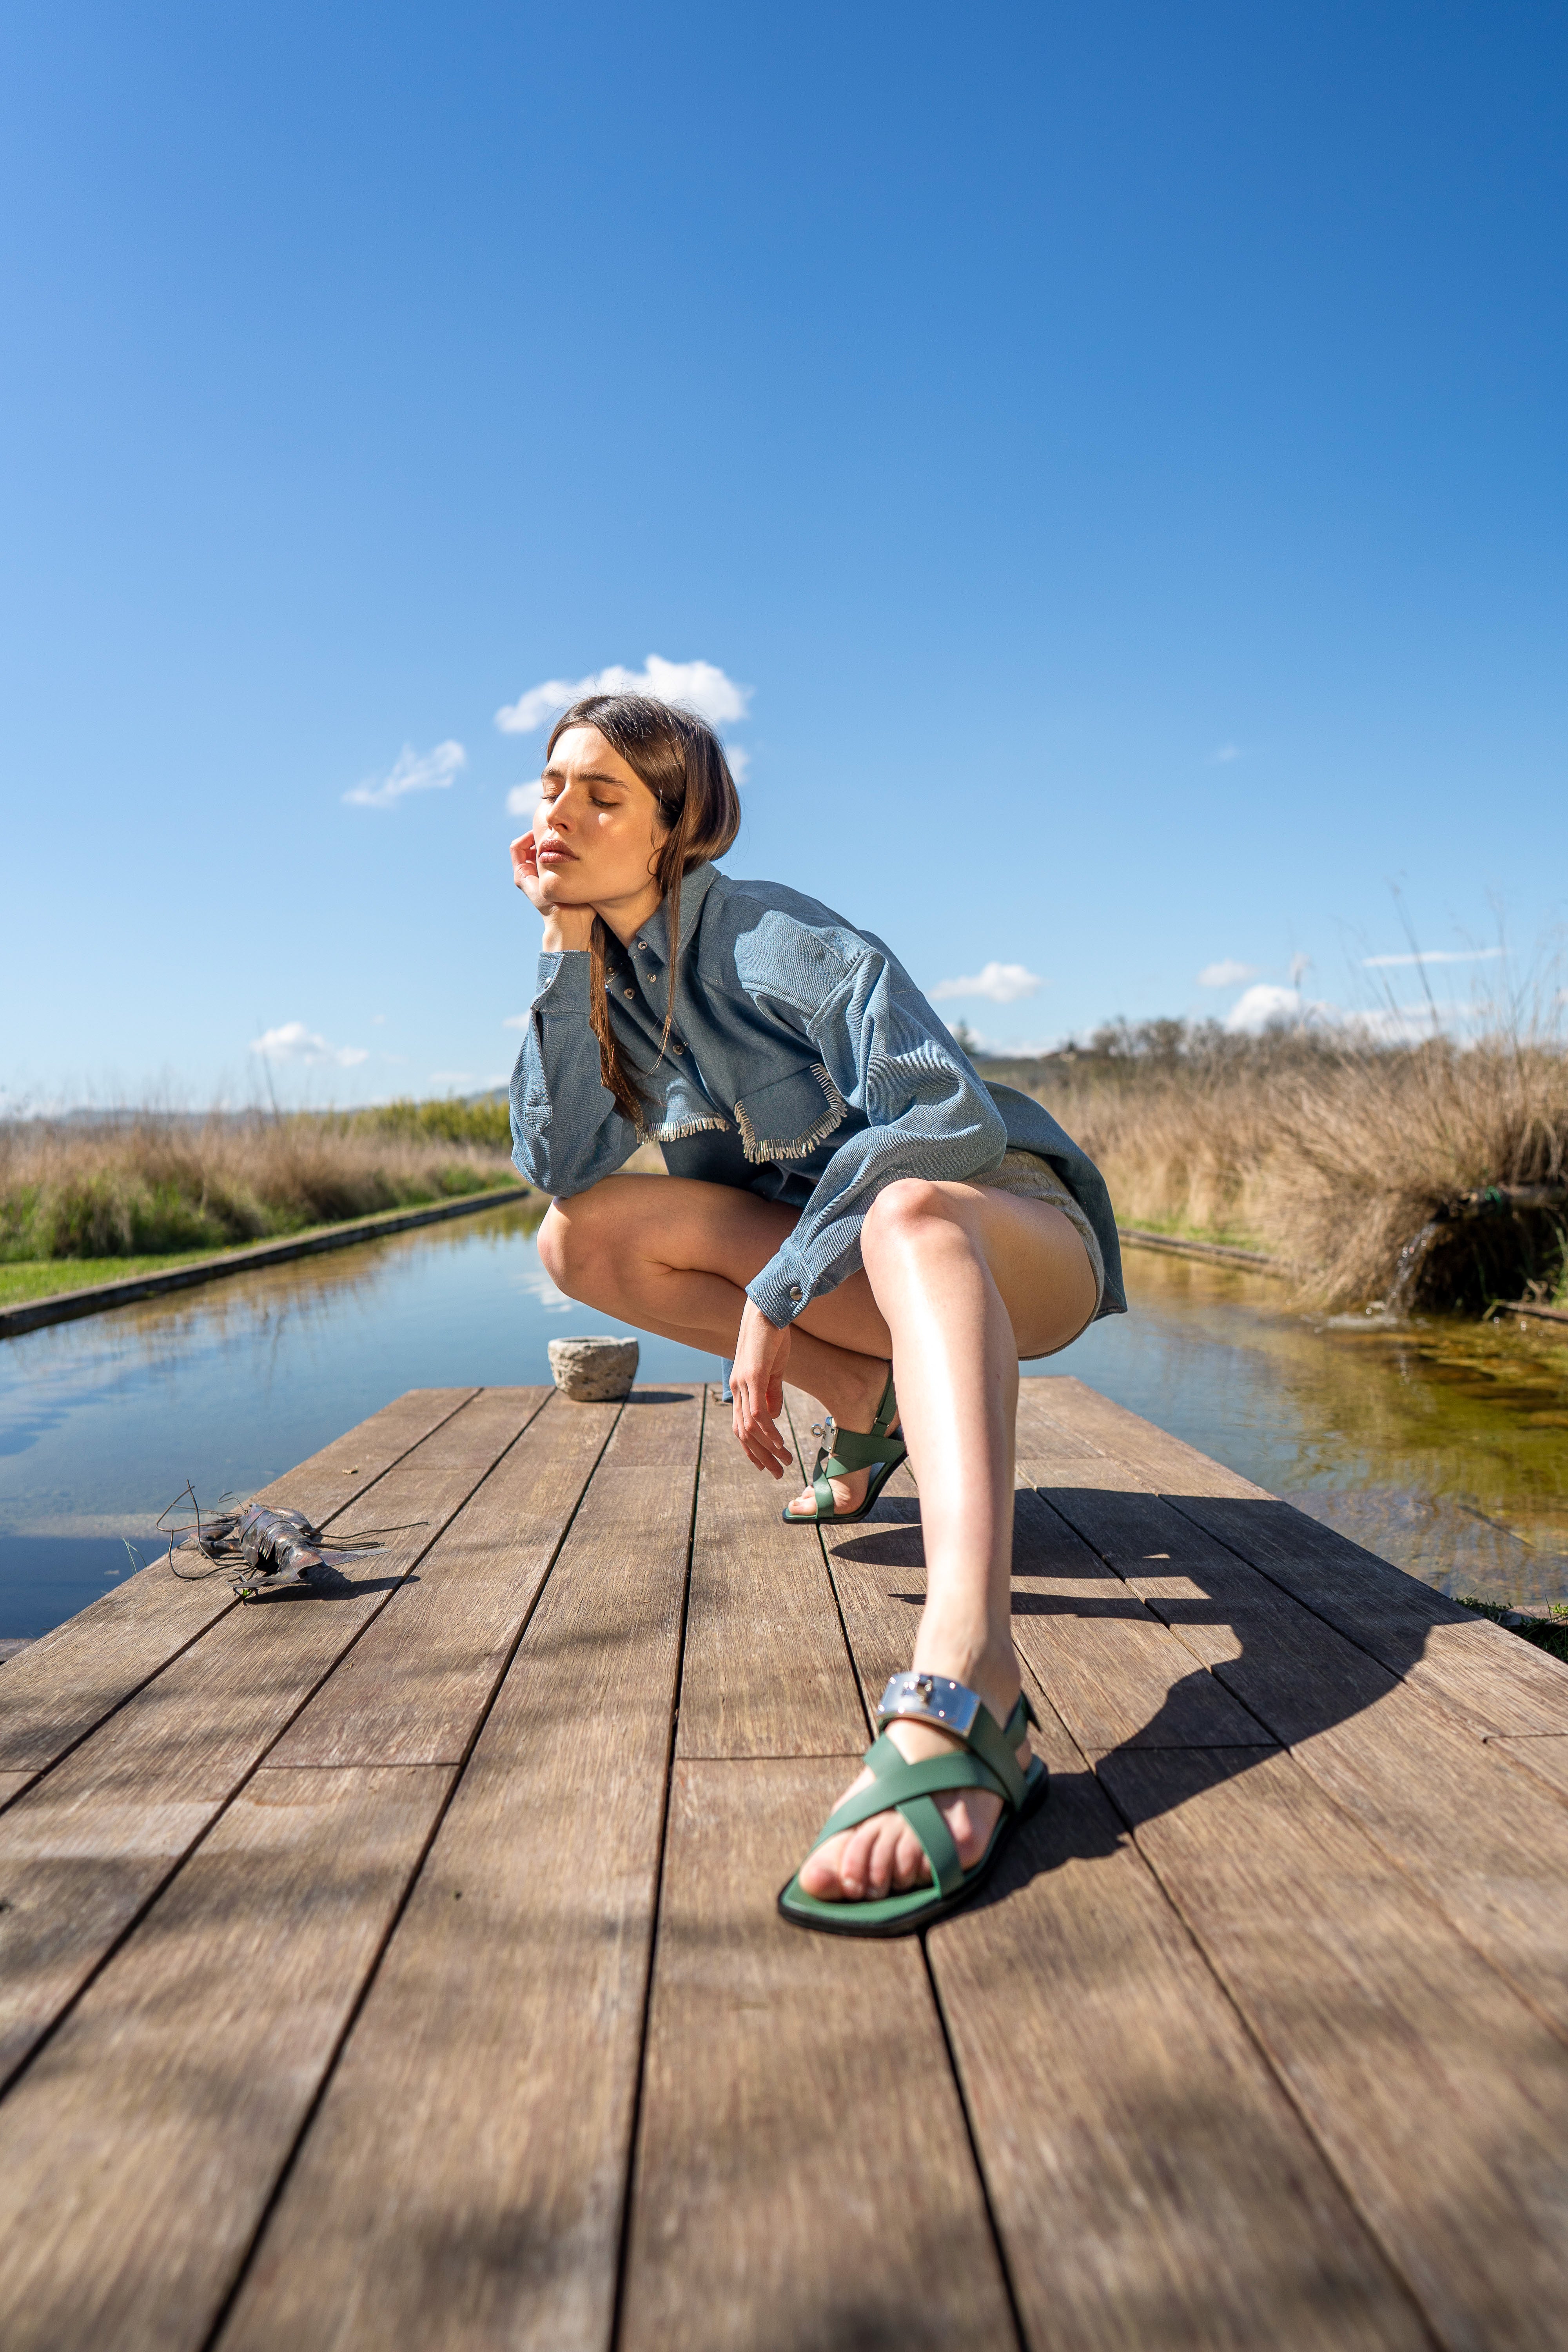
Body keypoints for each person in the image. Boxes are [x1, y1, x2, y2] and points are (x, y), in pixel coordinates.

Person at [508, 693, 1125, 1936]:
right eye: (549, 788)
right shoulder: (607, 981)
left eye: (601, 794)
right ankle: (867, 1403)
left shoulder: (770, 936)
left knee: (907, 1219)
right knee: (579, 1237)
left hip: (998, 1232)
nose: (555, 815)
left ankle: (970, 1671)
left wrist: (780, 1294)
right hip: (859, 1280)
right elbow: (559, 1160)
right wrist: (563, 950)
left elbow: (947, 1118)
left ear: (678, 828)